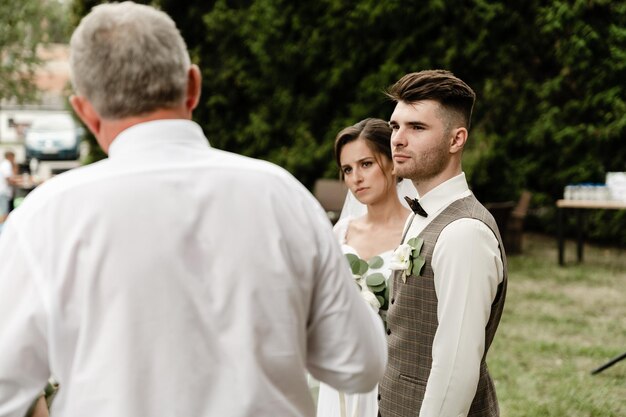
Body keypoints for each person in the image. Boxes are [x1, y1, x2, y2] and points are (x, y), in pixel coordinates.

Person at [0, 3, 387, 417]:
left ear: (84, 110)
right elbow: (359, 366)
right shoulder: (281, 196)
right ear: (193, 85)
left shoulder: (46, 216)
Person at [378, 70, 508, 417]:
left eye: (416, 128)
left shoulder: (464, 233)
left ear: (456, 140)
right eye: (395, 126)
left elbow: (456, 367)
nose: (398, 139)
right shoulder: (419, 214)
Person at [316, 118, 411, 417]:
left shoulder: (417, 232)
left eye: (366, 164)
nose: (356, 177)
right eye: (347, 169)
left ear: (393, 163)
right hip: (344, 369)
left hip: (396, 371)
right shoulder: (341, 232)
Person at [0, 151, 17, 227]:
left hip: (3, 191)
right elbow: (8, 179)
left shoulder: (4, 164)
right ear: (10, 156)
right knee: (4, 213)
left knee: (4, 212)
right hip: (4, 191)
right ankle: (3, 230)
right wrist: (17, 182)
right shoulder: (7, 164)